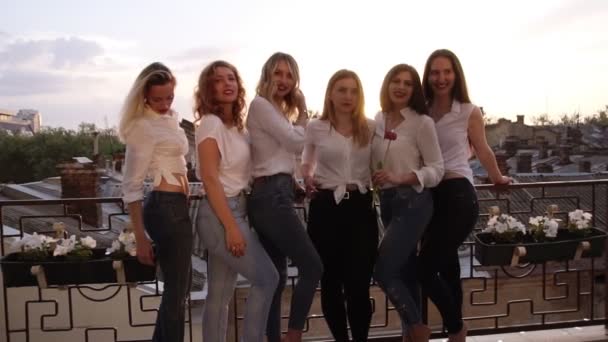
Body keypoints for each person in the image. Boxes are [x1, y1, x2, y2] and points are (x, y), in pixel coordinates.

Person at [419, 49, 511, 342]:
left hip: (459, 195)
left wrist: (497, 177)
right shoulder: (420, 108)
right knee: (446, 266)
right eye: (435, 72)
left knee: (424, 269)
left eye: (447, 72)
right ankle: (455, 334)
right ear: (428, 76)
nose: (441, 78)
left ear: (455, 75)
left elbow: (482, 149)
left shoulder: (469, 111)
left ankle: (457, 328)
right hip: (429, 197)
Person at [194, 60, 279, 342]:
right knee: (267, 279)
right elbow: (209, 178)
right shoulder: (210, 124)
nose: (227, 83)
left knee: (219, 295)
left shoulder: (237, 128)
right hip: (221, 215)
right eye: (219, 80)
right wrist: (231, 227)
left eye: (231, 78)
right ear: (209, 88)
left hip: (236, 209)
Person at [246, 52, 323, 342]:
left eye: (289, 76)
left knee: (276, 280)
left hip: (275, 193)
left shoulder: (276, 112)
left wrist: (295, 185)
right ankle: (293, 335)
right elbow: (295, 142)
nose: (283, 80)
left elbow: (281, 156)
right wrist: (304, 110)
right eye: (278, 73)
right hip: (270, 198)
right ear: (267, 75)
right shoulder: (261, 105)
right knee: (313, 266)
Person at [301, 70, 377, 342]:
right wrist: (307, 177)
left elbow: (382, 161)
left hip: (360, 208)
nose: (348, 96)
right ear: (330, 94)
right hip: (325, 209)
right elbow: (307, 161)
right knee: (330, 284)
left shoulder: (370, 127)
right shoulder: (315, 127)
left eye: (353, 90)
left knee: (358, 286)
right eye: (342, 90)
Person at [119, 62, 192, 342]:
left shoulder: (170, 119)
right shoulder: (143, 126)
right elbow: (132, 185)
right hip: (165, 207)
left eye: (169, 97)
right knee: (176, 292)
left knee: (177, 291)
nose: (164, 104)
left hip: (177, 206)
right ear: (144, 96)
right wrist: (140, 237)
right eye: (157, 99)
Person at [371, 64, 444, 342]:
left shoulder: (421, 123)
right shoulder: (377, 119)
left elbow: (437, 169)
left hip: (414, 203)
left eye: (408, 83)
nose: (401, 87)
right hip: (387, 204)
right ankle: (409, 336)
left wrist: (403, 176)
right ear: (387, 84)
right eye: (396, 81)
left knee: (383, 270)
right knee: (405, 272)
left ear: (414, 90)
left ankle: (417, 328)